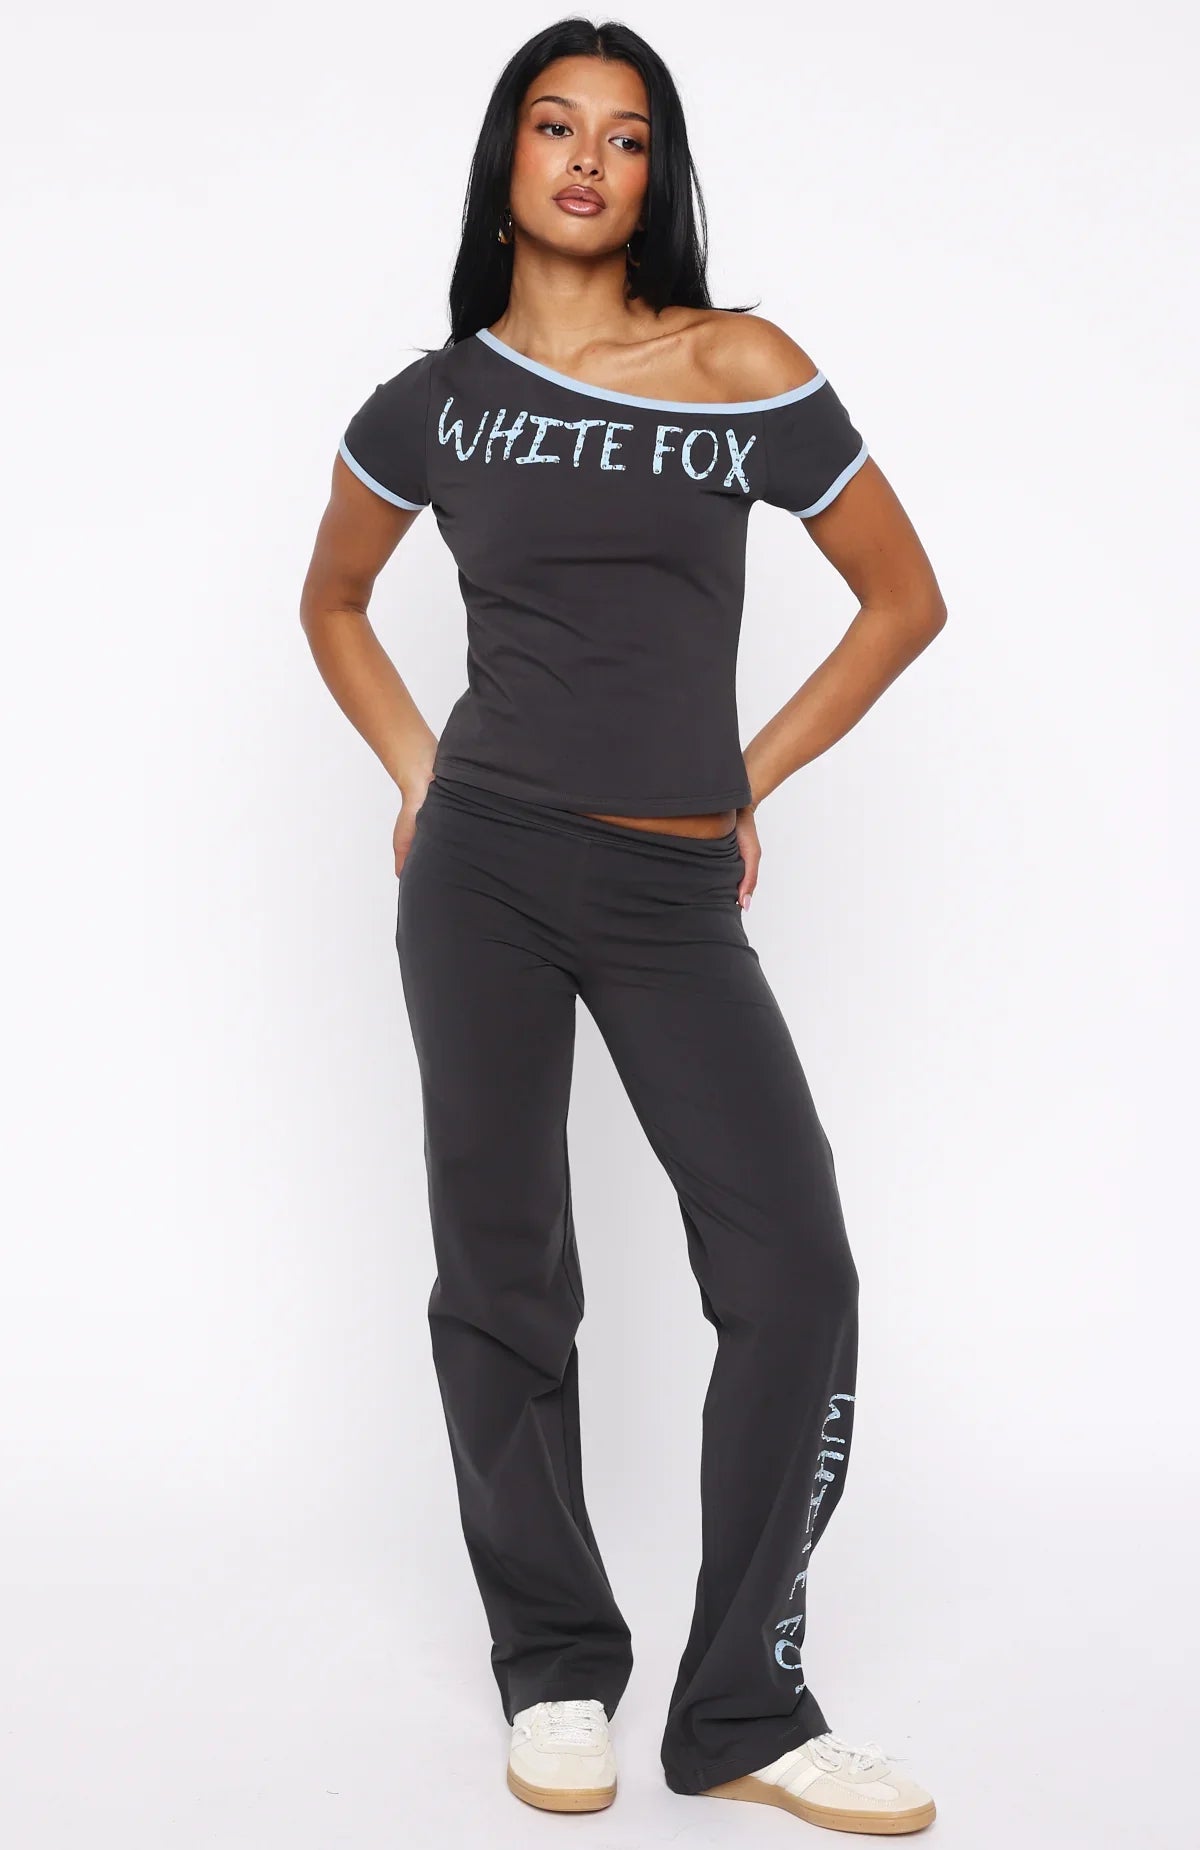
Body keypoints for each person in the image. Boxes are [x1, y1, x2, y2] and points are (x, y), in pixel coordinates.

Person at [300, 16, 946, 1835]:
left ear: (657, 176)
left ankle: (740, 1700)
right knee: (506, 1277)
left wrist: (744, 781)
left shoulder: (739, 367)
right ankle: (556, 1663)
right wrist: (417, 766)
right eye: (554, 123)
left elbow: (904, 600)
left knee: (794, 1270)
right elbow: (334, 597)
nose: (589, 158)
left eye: (628, 134)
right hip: (484, 871)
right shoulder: (432, 402)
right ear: (505, 158)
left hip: (670, 888)